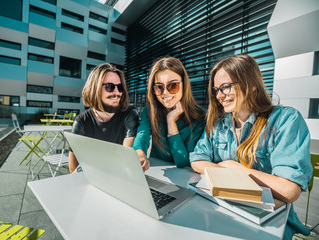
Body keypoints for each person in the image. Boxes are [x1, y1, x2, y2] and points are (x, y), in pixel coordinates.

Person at [189, 54, 313, 240]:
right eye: (216, 90)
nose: (219, 96)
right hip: (221, 212)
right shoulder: (218, 124)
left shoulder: (285, 120)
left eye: (226, 87)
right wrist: (224, 171)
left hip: (269, 224)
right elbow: (197, 159)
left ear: (252, 83)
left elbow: (289, 190)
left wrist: (238, 170)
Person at [132, 56, 206, 171]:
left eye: (173, 85)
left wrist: (171, 122)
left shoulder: (200, 116)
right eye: (159, 87)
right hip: (155, 172)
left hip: (185, 179)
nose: (165, 93)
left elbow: (182, 161)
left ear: (184, 85)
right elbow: (142, 136)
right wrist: (140, 155)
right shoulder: (151, 109)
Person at [69, 63, 139, 173]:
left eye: (120, 87)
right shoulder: (81, 122)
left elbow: (125, 157)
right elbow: (73, 171)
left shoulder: (129, 115)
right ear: (95, 88)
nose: (117, 92)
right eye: (109, 87)